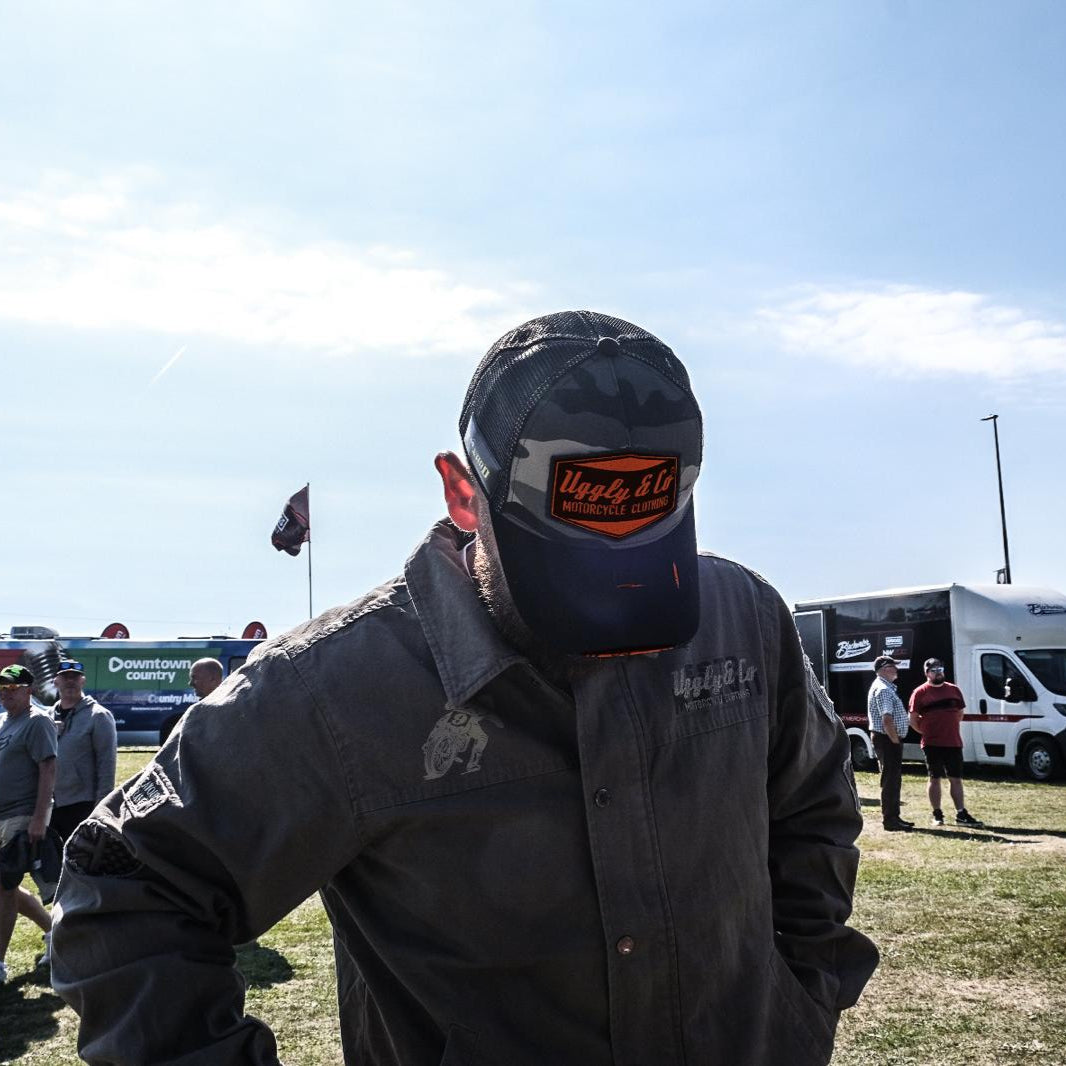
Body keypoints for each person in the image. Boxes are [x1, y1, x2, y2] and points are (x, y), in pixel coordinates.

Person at [52, 311, 878, 1066]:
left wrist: (801, 1004)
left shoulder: (743, 620)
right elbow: (124, 887)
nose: (615, 612)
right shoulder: (339, 687)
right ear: (462, 493)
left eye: (643, 546)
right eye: (570, 565)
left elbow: (814, 808)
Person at [0, 664, 58, 984]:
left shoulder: (37, 721)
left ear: (29, 691)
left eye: (13, 688)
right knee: (4, 886)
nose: (6, 694)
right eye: (2, 689)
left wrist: (39, 817)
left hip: (20, 815)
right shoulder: (4, 721)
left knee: (4, 888)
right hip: (1, 815)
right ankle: (53, 931)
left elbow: (48, 769)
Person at [909, 657, 983, 827]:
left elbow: (960, 714)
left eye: (940, 669)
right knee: (934, 778)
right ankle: (937, 814)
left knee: (956, 778)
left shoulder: (953, 690)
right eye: (934, 671)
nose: (938, 673)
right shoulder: (920, 692)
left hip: (953, 742)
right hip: (931, 744)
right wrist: (927, 732)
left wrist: (948, 729)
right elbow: (913, 720)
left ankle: (961, 814)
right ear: (927, 673)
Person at [51, 660, 117, 843]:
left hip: (82, 804)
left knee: (80, 856)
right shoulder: (47, 716)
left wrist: (102, 807)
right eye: (65, 677)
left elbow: (107, 764)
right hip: (49, 804)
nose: (70, 681)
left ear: (83, 681)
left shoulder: (99, 716)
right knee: (49, 857)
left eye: (75, 677)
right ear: (55, 681)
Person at [866, 655, 913, 831]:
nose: (896, 669)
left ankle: (894, 817)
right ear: (885, 669)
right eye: (893, 666)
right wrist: (895, 740)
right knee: (890, 780)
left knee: (893, 779)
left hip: (887, 738)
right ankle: (890, 820)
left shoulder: (885, 687)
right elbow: (887, 719)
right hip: (887, 738)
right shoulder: (884, 689)